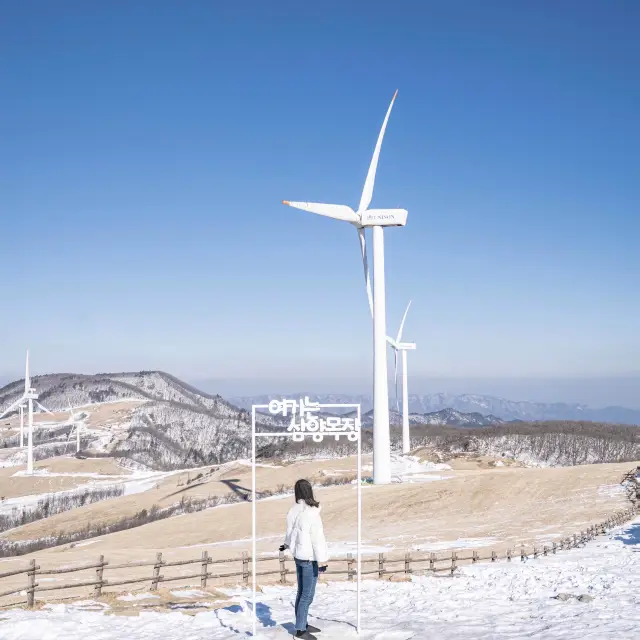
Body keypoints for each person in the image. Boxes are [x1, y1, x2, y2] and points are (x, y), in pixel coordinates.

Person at [279, 479, 328, 640]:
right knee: (307, 594)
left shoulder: (293, 510)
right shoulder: (312, 511)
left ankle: (302, 622)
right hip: (308, 557)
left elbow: (289, 531)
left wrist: (286, 545)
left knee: (302, 592)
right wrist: (323, 560)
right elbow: (317, 538)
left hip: (298, 555)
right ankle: (300, 629)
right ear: (309, 491)